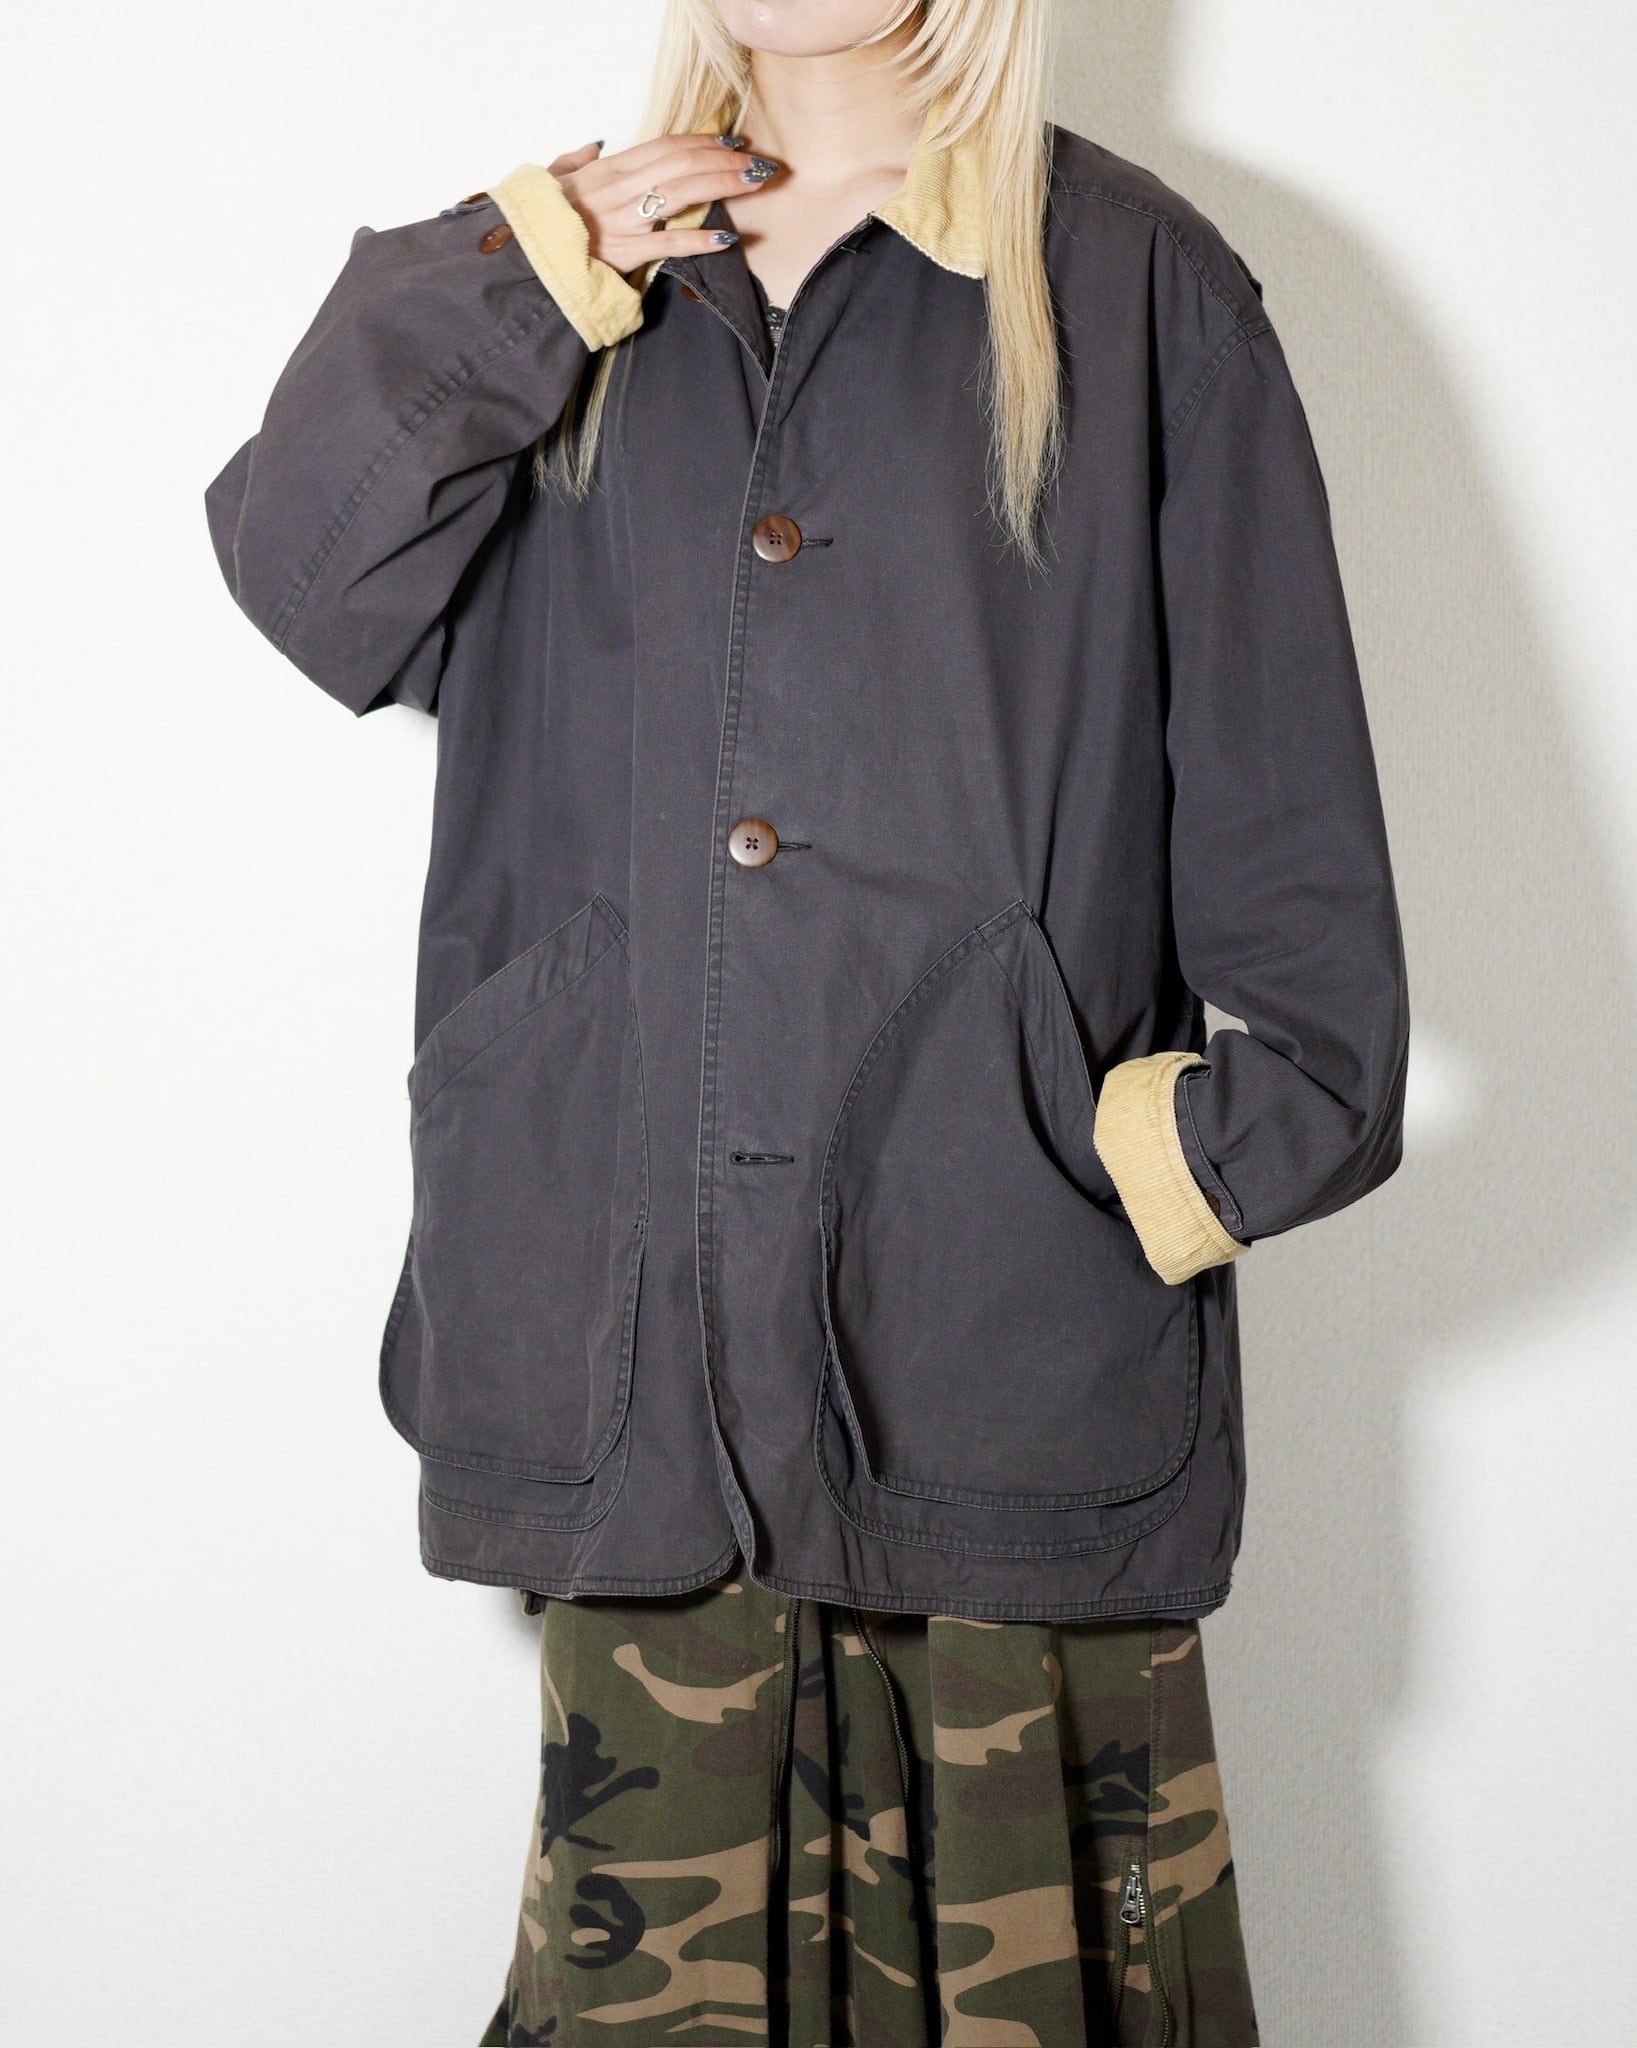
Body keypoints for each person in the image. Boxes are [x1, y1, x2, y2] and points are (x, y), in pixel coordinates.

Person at [204, 1, 1409, 2040]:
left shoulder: (1134, 290)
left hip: (1000, 1385)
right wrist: (517, 268)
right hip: (641, 1354)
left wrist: (1086, 1175)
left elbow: (1312, 929)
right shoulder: (578, 283)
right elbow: (310, 586)